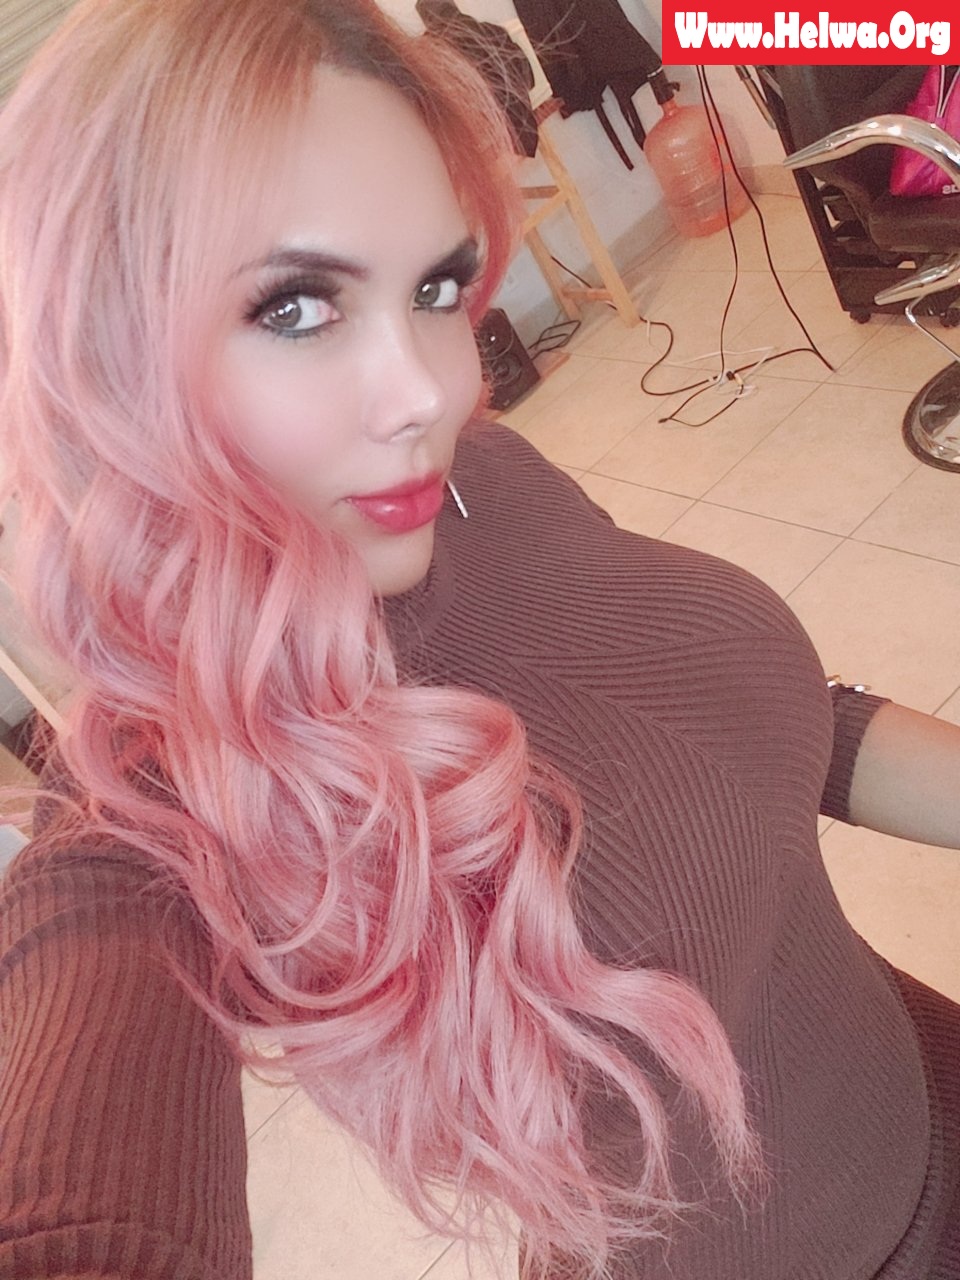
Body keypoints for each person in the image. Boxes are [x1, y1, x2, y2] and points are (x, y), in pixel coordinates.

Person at [0, 2, 958, 1278]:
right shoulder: (161, 797)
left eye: (436, 288)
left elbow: (761, 722)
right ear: (103, 355)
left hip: (926, 1066)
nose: (433, 389)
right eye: (295, 306)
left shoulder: (474, 479)